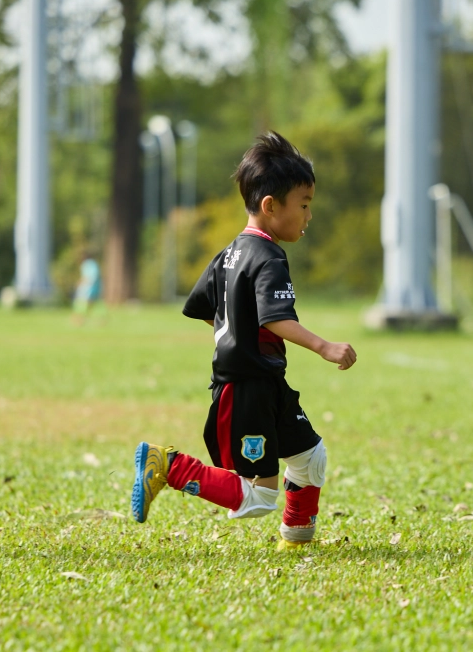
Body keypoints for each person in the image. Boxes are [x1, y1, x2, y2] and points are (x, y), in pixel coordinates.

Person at [130, 132, 357, 551]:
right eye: (304, 205)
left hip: (265, 382)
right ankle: (169, 466)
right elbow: (276, 319)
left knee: (311, 458)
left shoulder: (229, 252)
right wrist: (325, 346)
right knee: (257, 497)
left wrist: (234, 335)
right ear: (271, 206)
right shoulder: (268, 256)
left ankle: (297, 539)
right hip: (247, 391)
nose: (309, 216)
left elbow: (202, 307)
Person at [72, 252, 101, 322]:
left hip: (87, 287)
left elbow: (89, 277)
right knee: (90, 302)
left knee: (81, 302)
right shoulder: (94, 264)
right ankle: (87, 317)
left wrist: (80, 283)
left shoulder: (87, 264)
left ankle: (79, 318)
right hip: (95, 286)